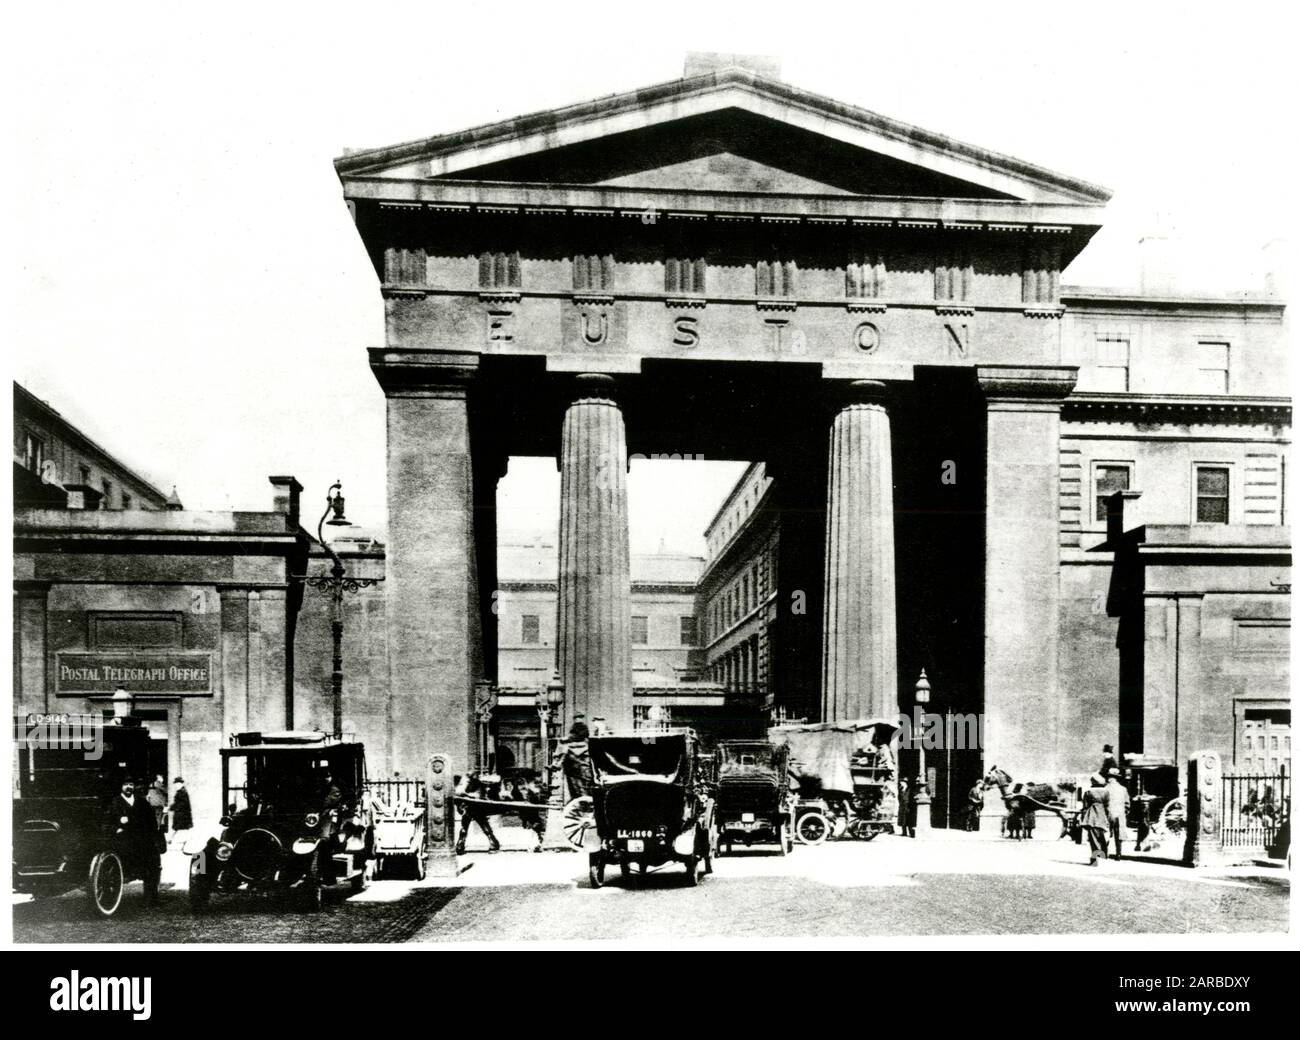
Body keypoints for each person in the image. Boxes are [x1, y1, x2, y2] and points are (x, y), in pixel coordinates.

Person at [108, 779, 162, 906]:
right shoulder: (115, 802)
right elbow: (109, 820)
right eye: (125, 784)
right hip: (124, 839)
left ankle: (151, 899)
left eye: (131, 785)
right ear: (121, 787)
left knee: (152, 862)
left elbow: (151, 820)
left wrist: (151, 832)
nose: (128, 787)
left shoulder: (141, 801)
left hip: (142, 839)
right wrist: (116, 828)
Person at [455, 771, 502, 854]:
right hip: (469, 808)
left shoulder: (477, 785)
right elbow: (459, 792)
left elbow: (478, 795)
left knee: (481, 825)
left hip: (476, 808)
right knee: (465, 827)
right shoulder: (466, 783)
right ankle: (460, 845)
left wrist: (466, 794)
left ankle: (494, 843)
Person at [561, 722, 594, 802]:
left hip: (575, 774)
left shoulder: (567, 747)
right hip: (585, 774)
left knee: (578, 796)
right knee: (585, 796)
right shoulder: (589, 746)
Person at [1081, 774, 1110, 866]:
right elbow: (1107, 805)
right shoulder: (1106, 792)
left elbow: (1085, 806)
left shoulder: (1088, 792)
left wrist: (1083, 818)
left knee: (1093, 839)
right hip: (1102, 816)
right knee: (1101, 837)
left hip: (1092, 816)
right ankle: (1102, 854)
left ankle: (1094, 860)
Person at [1104, 769, 1130, 859]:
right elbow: (1127, 803)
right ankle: (1118, 854)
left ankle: (1105, 853)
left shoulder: (1105, 789)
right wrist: (1125, 812)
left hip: (1108, 814)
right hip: (1119, 814)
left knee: (1106, 833)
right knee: (1119, 834)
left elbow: (1103, 802)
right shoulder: (1123, 789)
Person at [168, 776, 193, 847]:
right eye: (175, 784)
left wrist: (171, 808)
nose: (176, 786)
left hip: (182, 814)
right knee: (181, 828)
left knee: (178, 827)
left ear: (181, 784)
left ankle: (171, 839)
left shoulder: (181, 792)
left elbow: (180, 804)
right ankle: (187, 841)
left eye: (177, 784)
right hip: (182, 814)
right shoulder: (182, 791)